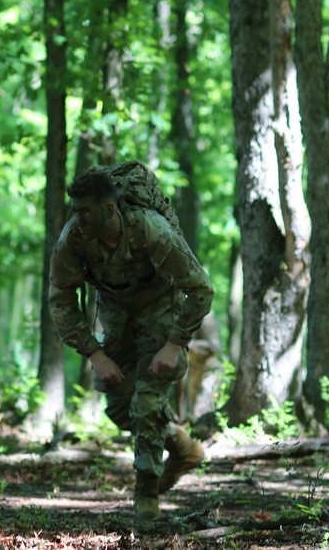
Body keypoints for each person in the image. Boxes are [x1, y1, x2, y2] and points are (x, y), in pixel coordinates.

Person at [49, 166, 214, 519]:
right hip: (115, 312)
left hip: (160, 308)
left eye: (85, 211)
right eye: (74, 210)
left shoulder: (149, 229)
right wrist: (95, 354)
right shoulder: (74, 239)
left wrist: (174, 344)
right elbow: (61, 299)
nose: (77, 218)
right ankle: (184, 448)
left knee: (147, 403)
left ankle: (147, 503)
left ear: (109, 209)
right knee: (121, 406)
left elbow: (200, 290)